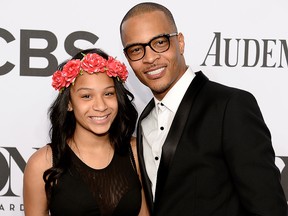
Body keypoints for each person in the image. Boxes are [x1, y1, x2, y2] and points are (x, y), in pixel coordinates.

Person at [119, 2, 287, 216]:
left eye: (160, 42)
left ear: (179, 42)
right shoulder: (144, 121)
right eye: (136, 49)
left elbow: (268, 207)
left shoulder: (230, 105)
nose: (150, 58)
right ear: (128, 58)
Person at [23, 48, 149, 216]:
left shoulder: (136, 151)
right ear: (69, 103)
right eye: (87, 96)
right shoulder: (43, 163)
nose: (101, 106)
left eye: (108, 93)